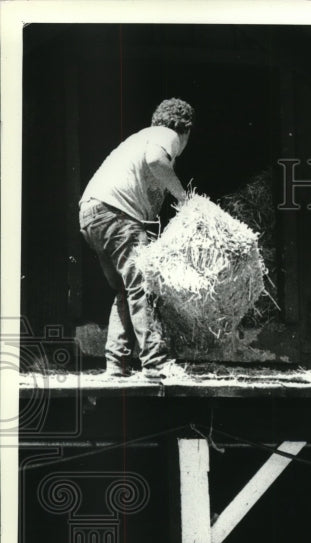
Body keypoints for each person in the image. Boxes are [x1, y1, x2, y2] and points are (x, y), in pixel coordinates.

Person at [78, 98, 194, 379]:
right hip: (117, 214)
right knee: (144, 286)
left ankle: (116, 364)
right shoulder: (167, 135)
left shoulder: (137, 138)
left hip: (91, 215)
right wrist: (185, 200)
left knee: (126, 289)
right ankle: (156, 363)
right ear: (186, 129)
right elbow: (156, 161)